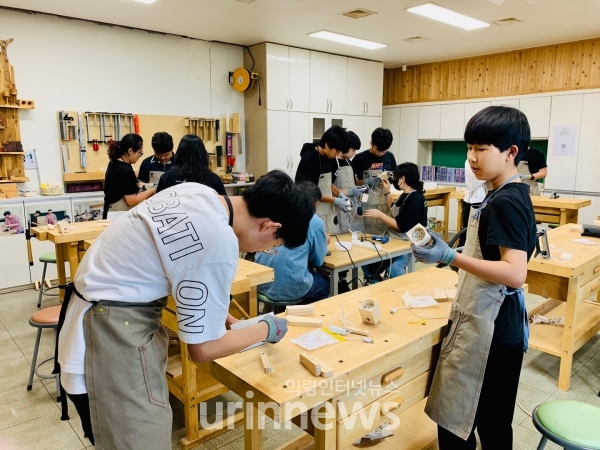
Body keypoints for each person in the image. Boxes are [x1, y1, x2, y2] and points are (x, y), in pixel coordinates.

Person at [57, 170, 313, 449]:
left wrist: (216, 314)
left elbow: (175, 265)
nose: (265, 249)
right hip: (109, 332)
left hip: (92, 318)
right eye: (274, 245)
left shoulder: (197, 193)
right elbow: (203, 349)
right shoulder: (218, 238)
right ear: (268, 226)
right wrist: (265, 329)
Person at [411, 106, 536, 449]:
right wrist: (456, 259)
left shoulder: (505, 201)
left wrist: (452, 256)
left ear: (511, 152)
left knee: (455, 419)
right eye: (469, 148)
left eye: (481, 149)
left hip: (489, 325)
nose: (471, 158)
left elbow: (514, 272)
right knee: (495, 421)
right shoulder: (513, 193)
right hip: (503, 320)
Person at [255, 182, 330, 306]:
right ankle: (302, 316)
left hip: (261, 284)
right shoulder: (314, 221)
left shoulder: (277, 212)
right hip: (288, 289)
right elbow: (318, 261)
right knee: (326, 284)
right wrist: (323, 243)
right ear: (316, 203)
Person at [362, 163, 427, 282]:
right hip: (394, 238)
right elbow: (393, 208)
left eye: (397, 177)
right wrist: (387, 192)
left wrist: (380, 214)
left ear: (403, 178)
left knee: (395, 270)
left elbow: (401, 226)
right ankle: (376, 286)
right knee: (365, 261)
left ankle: (398, 291)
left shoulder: (415, 199)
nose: (395, 180)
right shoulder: (406, 194)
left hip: (406, 242)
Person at [295, 125, 353, 234]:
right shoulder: (309, 159)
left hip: (328, 213)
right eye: (336, 151)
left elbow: (326, 182)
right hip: (312, 213)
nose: (336, 155)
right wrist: (334, 200)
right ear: (326, 145)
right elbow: (308, 192)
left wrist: (339, 194)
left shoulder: (328, 157)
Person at [331, 130, 365, 293]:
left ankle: (343, 280)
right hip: (336, 210)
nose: (354, 153)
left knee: (348, 247)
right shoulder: (333, 163)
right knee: (337, 248)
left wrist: (357, 189)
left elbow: (351, 183)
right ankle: (336, 282)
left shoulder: (348, 162)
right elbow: (331, 189)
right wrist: (349, 192)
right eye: (353, 150)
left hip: (349, 210)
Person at [351, 127, 396, 235]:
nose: (380, 153)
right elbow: (353, 183)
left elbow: (395, 178)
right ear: (371, 143)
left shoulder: (389, 157)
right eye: (378, 149)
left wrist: (390, 178)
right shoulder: (359, 158)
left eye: (383, 151)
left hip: (384, 202)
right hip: (366, 202)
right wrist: (366, 181)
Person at [103, 133, 156, 219]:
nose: (139, 156)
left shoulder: (115, 162)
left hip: (109, 212)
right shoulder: (125, 170)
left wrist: (144, 185)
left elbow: (126, 185)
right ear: (130, 151)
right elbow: (131, 200)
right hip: (116, 215)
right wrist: (153, 189)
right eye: (140, 153)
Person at [157, 134, 226, 195]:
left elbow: (157, 203)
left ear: (179, 154)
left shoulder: (167, 178)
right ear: (203, 155)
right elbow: (224, 204)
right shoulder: (213, 179)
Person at [458, 158, 486, 247]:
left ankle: (462, 248)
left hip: (469, 198)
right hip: (478, 198)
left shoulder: (468, 160)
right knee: (474, 228)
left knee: (466, 226)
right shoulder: (482, 161)